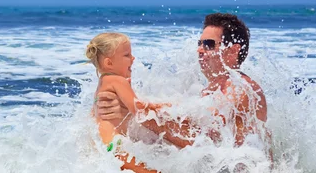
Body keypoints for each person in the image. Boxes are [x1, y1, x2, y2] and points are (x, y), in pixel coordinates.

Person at [96, 13, 270, 152]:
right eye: (199, 43)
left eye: (209, 44)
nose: (199, 49)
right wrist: (129, 110)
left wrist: (140, 113)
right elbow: (190, 125)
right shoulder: (213, 89)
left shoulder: (241, 90)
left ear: (232, 51)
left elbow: (203, 142)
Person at [85, 32, 171, 173]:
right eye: (127, 55)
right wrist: (169, 106)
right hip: (116, 148)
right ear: (109, 62)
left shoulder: (103, 83)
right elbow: (138, 109)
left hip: (105, 148)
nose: (133, 59)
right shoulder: (118, 81)